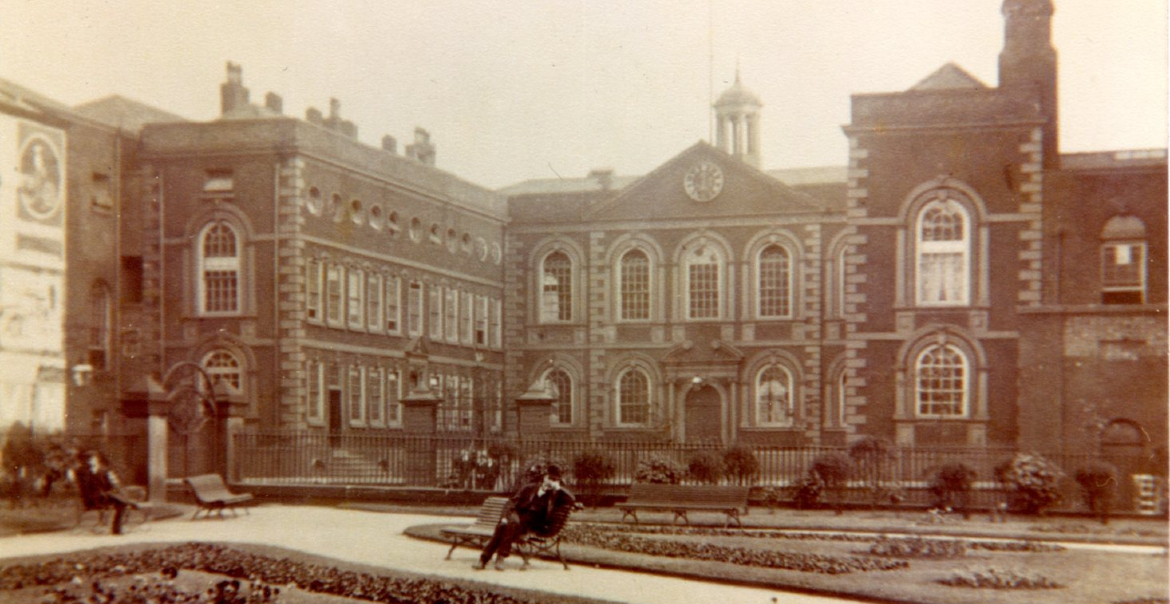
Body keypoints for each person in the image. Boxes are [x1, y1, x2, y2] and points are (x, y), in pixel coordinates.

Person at [474, 464, 575, 571]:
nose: (551, 482)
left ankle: (484, 559)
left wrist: (559, 488)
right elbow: (511, 503)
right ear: (544, 477)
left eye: (555, 480)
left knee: (504, 527)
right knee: (510, 523)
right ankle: (500, 558)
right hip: (517, 516)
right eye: (550, 478)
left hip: (533, 524)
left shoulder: (556, 495)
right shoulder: (529, 488)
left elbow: (572, 499)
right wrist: (504, 517)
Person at [71, 451, 137, 534]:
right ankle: (130, 503)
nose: (91, 461)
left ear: (97, 460)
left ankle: (116, 529)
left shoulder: (103, 471)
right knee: (119, 499)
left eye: (93, 459)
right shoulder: (82, 472)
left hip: (104, 497)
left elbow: (109, 485)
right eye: (89, 460)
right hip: (91, 498)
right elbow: (84, 487)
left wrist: (112, 480)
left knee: (121, 503)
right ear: (85, 461)